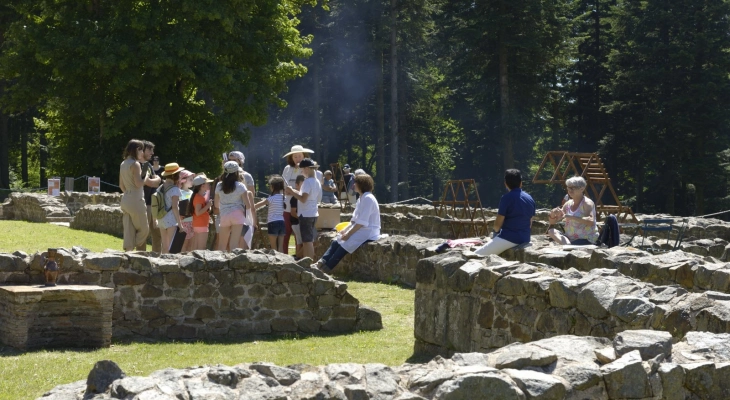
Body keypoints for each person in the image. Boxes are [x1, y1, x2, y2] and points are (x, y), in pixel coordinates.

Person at [314, 173, 381, 273]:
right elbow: (354, 220)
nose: (353, 185)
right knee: (337, 241)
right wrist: (344, 231)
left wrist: (349, 234)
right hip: (361, 229)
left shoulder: (368, 198)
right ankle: (320, 263)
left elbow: (362, 222)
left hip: (369, 231)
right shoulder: (361, 199)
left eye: (355, 183)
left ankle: (324, 270)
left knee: (344, 246)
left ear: (361, 184)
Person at [474, 169, 536, 256]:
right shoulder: (530, 198)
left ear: (505, 184)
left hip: (508, 238)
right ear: (521, 183)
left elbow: (498, 222)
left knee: (476, 255)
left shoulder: (506, 198)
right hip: (525, 238)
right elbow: (530, 222)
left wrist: (495, 233)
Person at [120, 139, 156, 251]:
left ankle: (128, 250)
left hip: (125, 198)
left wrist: (129, 193)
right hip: (136, 199)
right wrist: (146, 177)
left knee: (129, 228)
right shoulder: (135, 164)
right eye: (141, 150)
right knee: (144, 229)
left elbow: (121, 185)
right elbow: (139, 183)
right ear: (137, 150)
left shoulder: (123, 163)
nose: (142, 152)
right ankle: (133, 245)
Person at [285, 158, 322, 259]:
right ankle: (306, 261)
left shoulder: (307, 182)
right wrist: (293, 190)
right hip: (313, 213)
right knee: (308, 240)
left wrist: (292, 192)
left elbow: (303, 199)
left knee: (307, 241)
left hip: (306, 215)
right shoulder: (317, 182)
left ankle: (308, 263)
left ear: (307, 169)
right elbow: (307, 196)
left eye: (302, 169)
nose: (301, 172)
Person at [548, 176, 600, 245]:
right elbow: (553, 222)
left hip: (585, 238)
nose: (570, 190)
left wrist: (571, 217)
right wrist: (553, 214)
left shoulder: (587, 203)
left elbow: (591, 221)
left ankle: (567, 245)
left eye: (573, 188)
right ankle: (568, 244)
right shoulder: (568, 203)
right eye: (568, 187)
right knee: (551, 231)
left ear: (582, 189)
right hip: (570, 237)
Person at [215, 161, 255, 251]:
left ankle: (220, 264)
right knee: (234, 244)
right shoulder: (241, 186)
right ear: (237, 172)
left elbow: (216, 205)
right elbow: (248, 205)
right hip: (238, 215)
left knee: (222, 245)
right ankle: (233, 264)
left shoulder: (219, 186)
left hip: (224, 215)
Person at [281, 145, 313, 254]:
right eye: (295, 157)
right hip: (287, 205)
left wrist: (293, 190)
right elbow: (283, 184)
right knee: (285, 232)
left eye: (299, 156)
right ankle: (283, 256)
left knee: (299, 235)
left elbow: (308, 187)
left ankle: (299, 257)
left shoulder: (307, 169)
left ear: (304, 156)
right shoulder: (287, 168)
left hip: (301, 205)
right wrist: (285, 190)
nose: (297, 159)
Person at [157, 163, 186, 254]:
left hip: (161, 218)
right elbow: (175, 207)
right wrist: (180, 225)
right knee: (171, 246)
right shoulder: (175, 189)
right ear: (175, 175)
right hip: (171, 220)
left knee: (164, 246)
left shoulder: (160, 187)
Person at [255, 175, 287, 252]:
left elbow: (257, 205)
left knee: (273, 248)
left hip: (273, 222)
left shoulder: (271, 198)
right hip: (282, 222)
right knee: (280, 247)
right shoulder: (283, 197)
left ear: (272, 187)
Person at [141, 142, 163, 252]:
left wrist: (155, 180)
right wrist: (156, 179)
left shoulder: (148, 165)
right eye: (149, 150)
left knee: (157, 235)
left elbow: (156, 182)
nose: (152, 153)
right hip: (144, 204)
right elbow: (149, 182)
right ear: (142, 150)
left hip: (153, 204)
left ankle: (156, 260)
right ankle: (141, 259)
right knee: (142, 235)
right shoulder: (140, 165)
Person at [189, 173, 214, 250]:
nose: (209, 184)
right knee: (201, 248)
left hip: (198, 224)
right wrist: (208, 206)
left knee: (196, 248)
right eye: (207, 183)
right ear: (202, 186)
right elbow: (198, 212)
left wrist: (207, 207)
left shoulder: (198, 196)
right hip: (201, 225)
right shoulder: (199, 197)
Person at [178, 170, 195, 252]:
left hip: (192, 221)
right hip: (183, 221)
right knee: (183, 244)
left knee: (191, 244)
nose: (193, 181)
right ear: (184, 180)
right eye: (190, 179)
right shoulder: (179, 192)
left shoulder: (192, 192)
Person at [290, 175, 306, 258]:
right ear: (297, 185)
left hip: (299, 222)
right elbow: (293, 212)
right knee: (304, 242)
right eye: (302, 184)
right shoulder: (295, 198)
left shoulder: (303, 196)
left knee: (300, 242)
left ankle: (298, 258)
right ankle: (298, 258)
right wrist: (302, 219)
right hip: (297, 223)